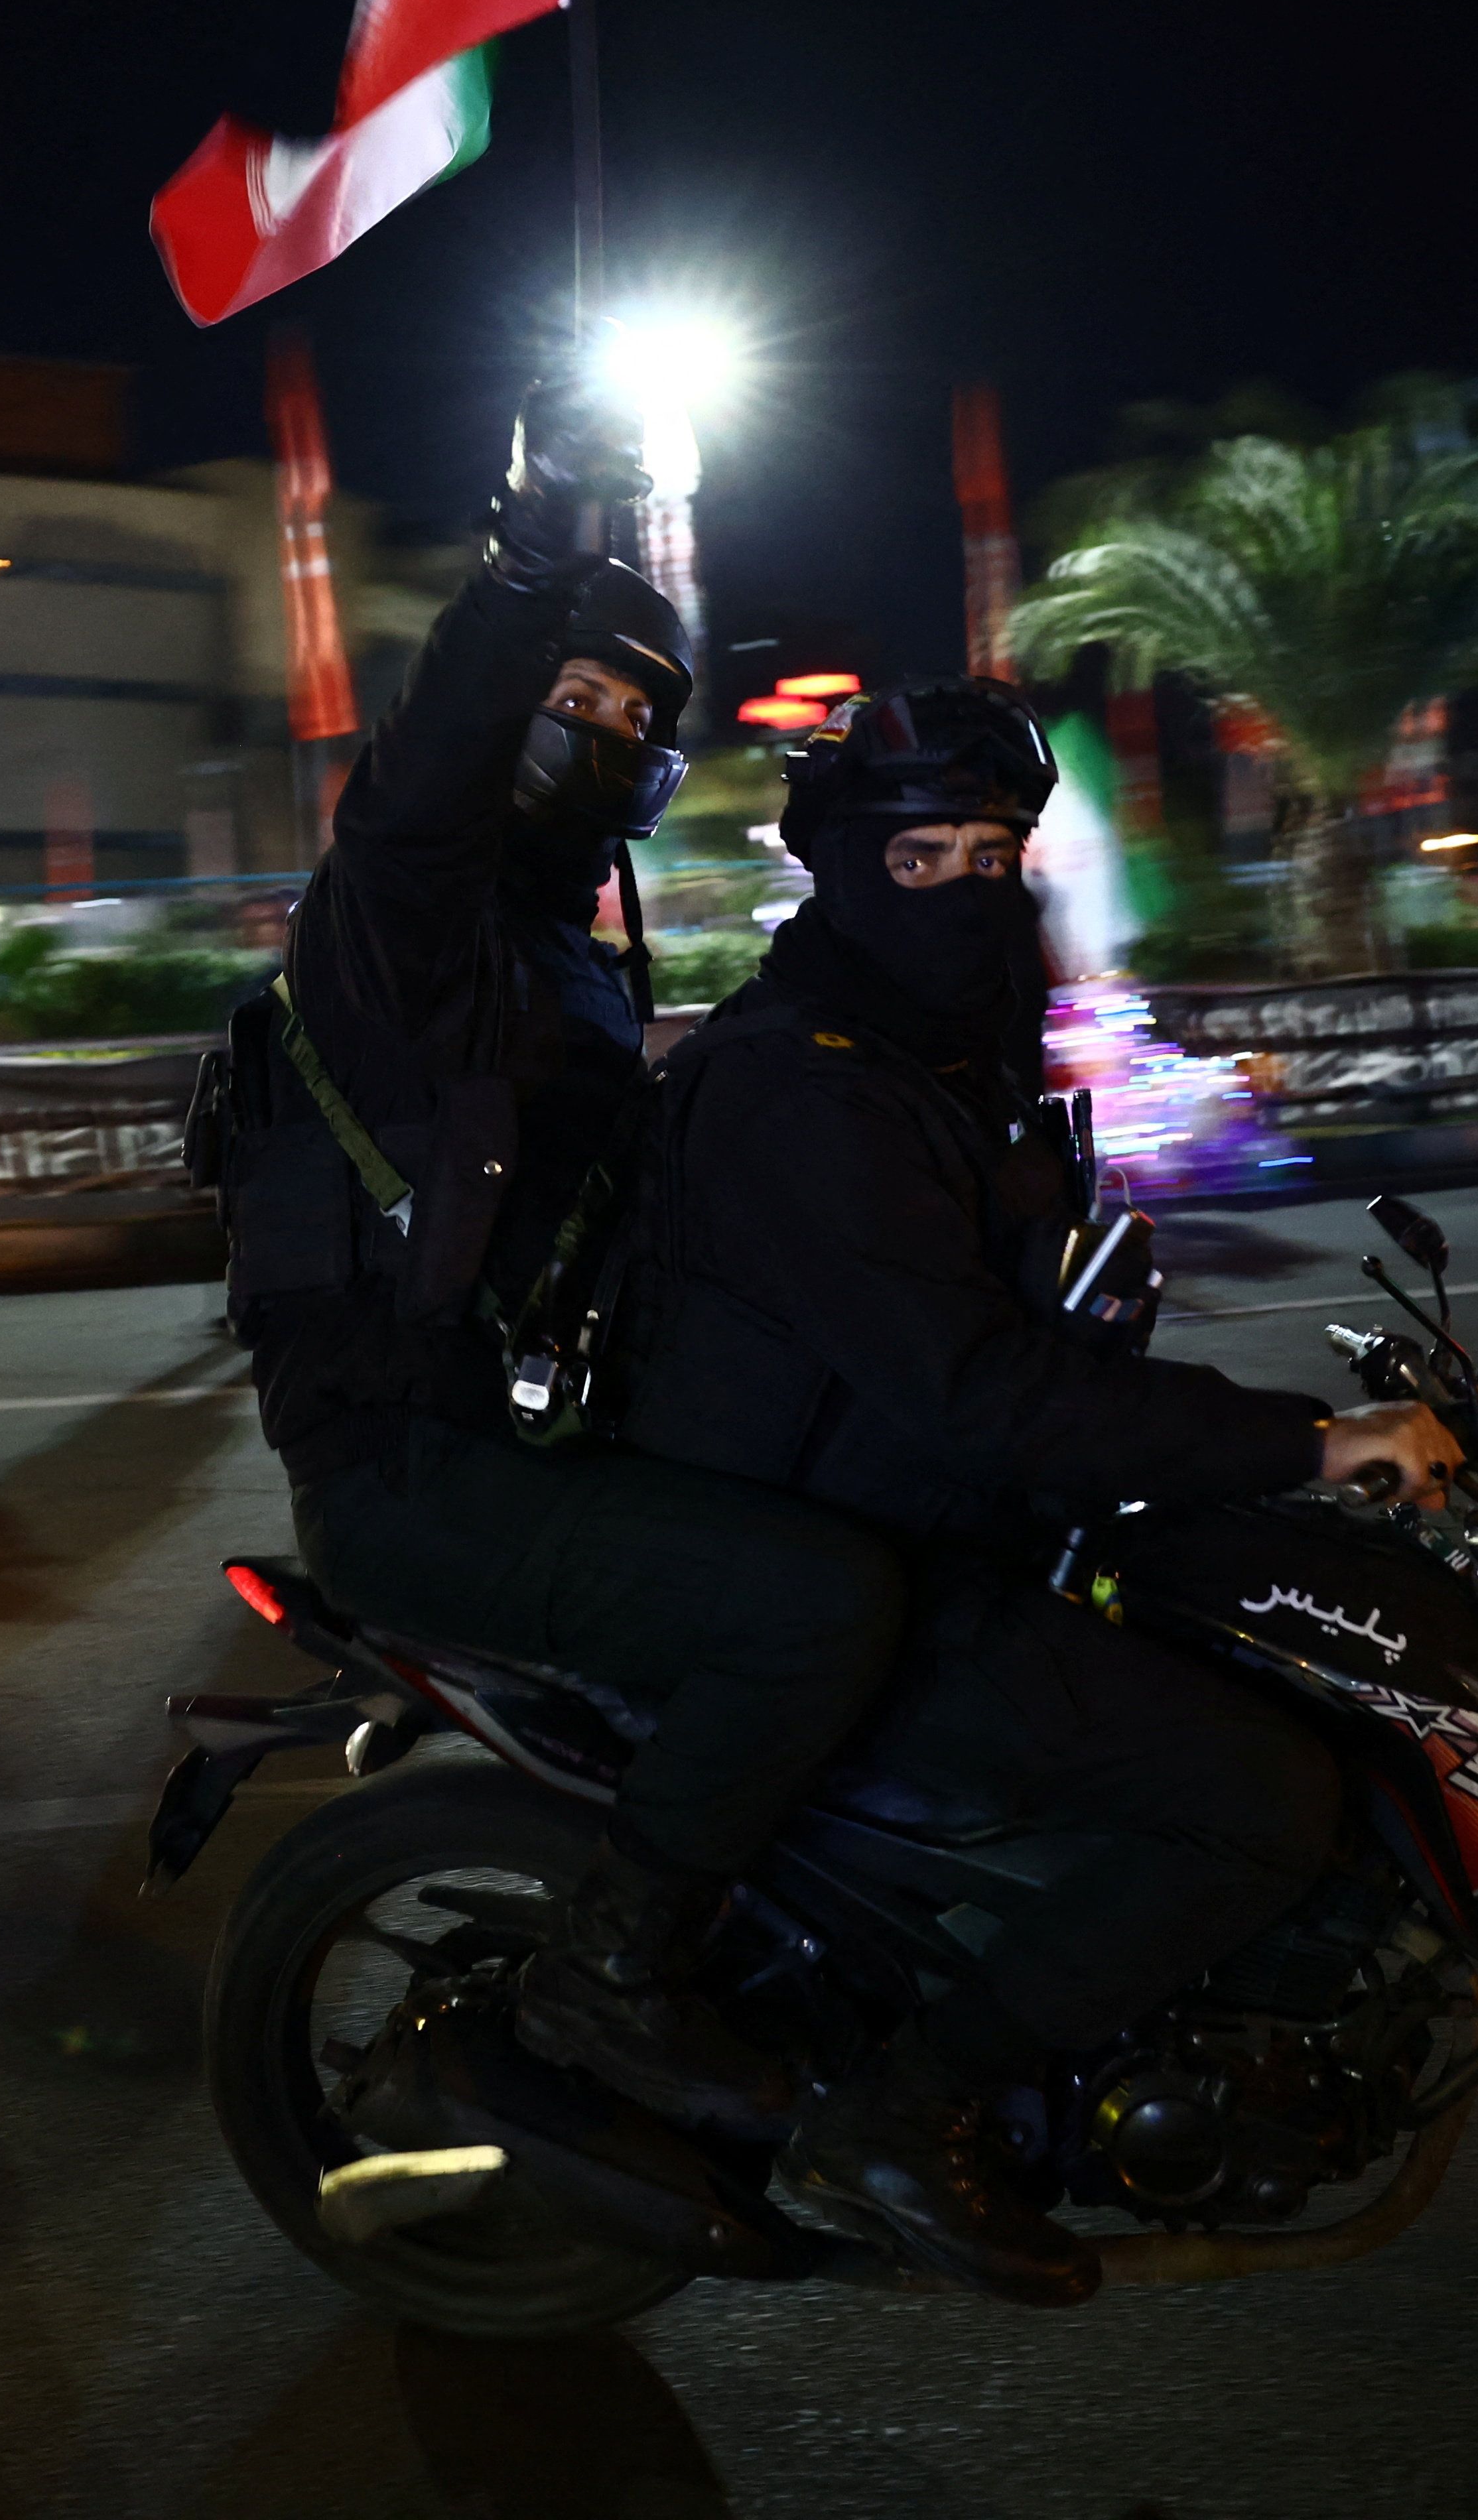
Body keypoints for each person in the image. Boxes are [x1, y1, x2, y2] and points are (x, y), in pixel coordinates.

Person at [617, 678, 1461, 2300]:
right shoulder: (808, 1090)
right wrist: (1305, 1440)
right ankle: (901, 2112)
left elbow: (1045, 1336)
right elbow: (977, 1386)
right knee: (1255, 1796)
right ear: (844, 874)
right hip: (852, 1569)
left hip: (956, 1517)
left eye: (990, 853)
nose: (960, 889)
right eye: (916, 858)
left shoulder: (935, 1064)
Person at [230, 377, 909, 2136]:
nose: (600, 724)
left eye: (636, 708)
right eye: (575, 692)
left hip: (533, 1429)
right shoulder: (403, 921)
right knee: (811, 1609)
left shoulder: (576, 960)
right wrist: (537, 551)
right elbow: (432, 770)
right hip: (420, 1471)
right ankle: (618, 1972)